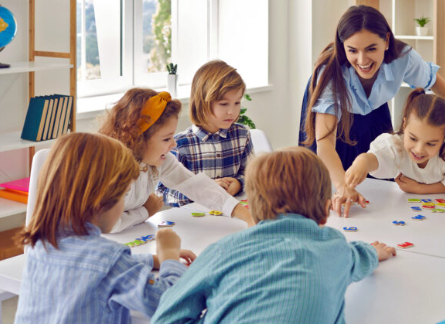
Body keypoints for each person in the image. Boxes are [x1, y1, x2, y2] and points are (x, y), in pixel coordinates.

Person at [151, 147, 396, 324]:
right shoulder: (335, 247)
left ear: (252, 211)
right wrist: (374, 252)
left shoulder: (223, 250)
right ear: (325, 211)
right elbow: (359, 258)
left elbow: (167, 316)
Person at [299, 5, 445, 217]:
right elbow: (325, 144)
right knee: (329, 183)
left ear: (386, 41)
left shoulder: (403, 57)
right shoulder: (330, 73)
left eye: (371, 49)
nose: (362, 60)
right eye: (352, 50)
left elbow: (433, 81)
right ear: (343, 47)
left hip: (375, 110)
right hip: (334, 121)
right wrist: (342, 186)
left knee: (379, 173)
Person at [15, 133, 195, 323]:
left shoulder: (42, 241)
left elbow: (91, 266)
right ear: (101, 200)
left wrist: (152, 260)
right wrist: (169, 255)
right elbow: (170, 303)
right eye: (124, 195)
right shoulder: (110, 260)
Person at [98, 88, 252, 232]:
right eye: (166, 139)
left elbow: (197, 186)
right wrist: (146, 211)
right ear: (138, 139)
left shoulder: (158, 159)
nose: (174, 144)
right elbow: (107, 225)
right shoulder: (113, 170)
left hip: (132, 234)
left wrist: (247, 217)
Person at [345, 88, 445, 195]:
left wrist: (420, 189)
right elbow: (375, 158)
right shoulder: (396, 145)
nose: (419, 149)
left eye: (431, 144)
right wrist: (362, 162)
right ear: (405, 125)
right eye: (413, 138)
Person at [159, 60, 253, 204]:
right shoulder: (180, 145)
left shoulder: (242, 135)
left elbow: (252, 177)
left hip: (234, 216)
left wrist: (239, 183)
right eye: (223, 104)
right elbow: (162, 193)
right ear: (202, 102)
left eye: (237, 103)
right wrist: (200, 192)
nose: (231, 111)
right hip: (196, 221)